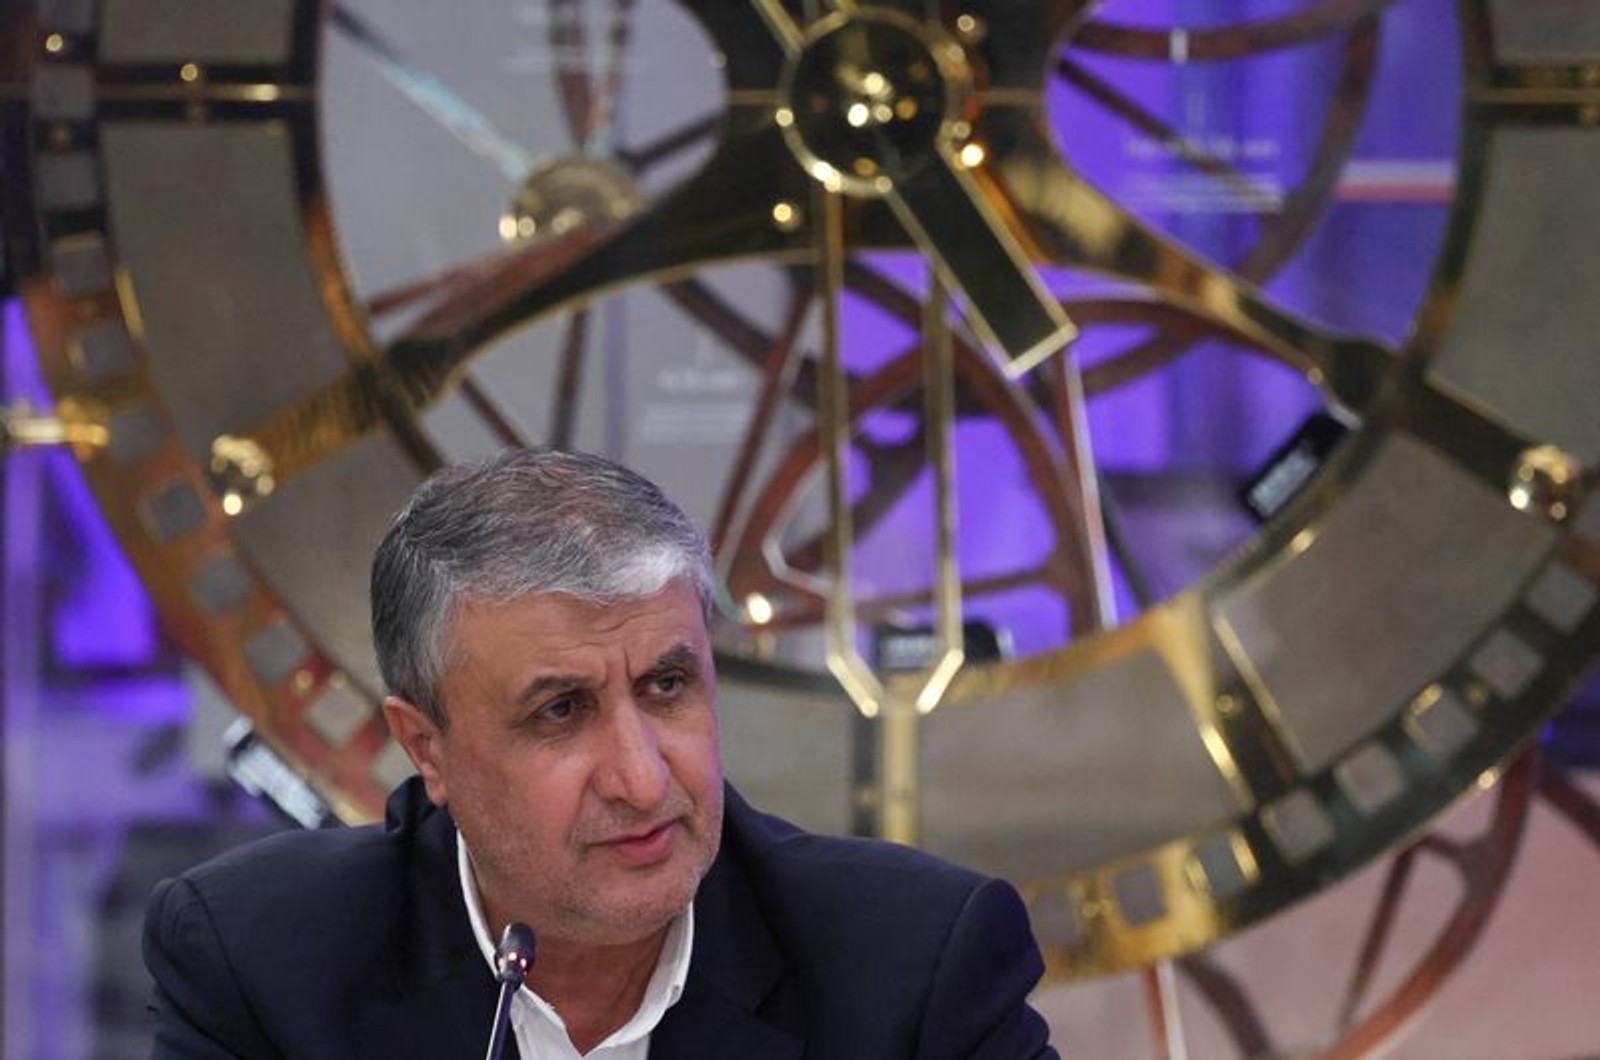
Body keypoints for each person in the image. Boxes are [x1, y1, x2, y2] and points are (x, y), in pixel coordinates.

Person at [142, 447, 1058, 1059]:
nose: (643, 779)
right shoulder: (262, 965)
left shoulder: (915, 970)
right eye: (560, 711)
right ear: (427, 748)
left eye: (667, 686)